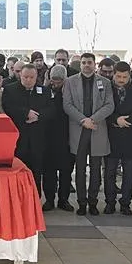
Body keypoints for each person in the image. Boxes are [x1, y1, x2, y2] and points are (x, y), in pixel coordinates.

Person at [62, 52, 115, 216]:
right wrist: (83, 120)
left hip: (96, 128)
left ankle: (93, 202)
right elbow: (67, 105)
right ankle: (81, 203)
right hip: (79, 129)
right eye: (84, 62)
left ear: (94, 64)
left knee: (95, 169)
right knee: (79, 170)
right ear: (81, 64)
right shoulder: (70, 82)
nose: (86, 65)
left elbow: (109, 105)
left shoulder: (105, 82)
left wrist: (92, 119)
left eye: (89, 62)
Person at [104, 61, 132, 215]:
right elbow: (102, 109)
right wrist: (116, 120)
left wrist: (126, 121)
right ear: (113, 74)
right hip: (111, 136)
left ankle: (125, 204)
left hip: (131, 135)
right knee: (110, 171)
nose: (121, 80)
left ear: (130, 75)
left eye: (124, 76)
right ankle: (109, 202)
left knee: (128, 172)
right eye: (118, 76)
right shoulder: (106, 87)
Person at [2, 63, 54, 189]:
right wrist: (26, 113)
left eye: (31, 77)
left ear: (36, 77)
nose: (28, 80)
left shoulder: (45, 91)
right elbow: (8, 107)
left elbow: (52, 110)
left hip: (38, 139)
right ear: (20, 75)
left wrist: (38, 116)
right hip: (18, 139)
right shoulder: (10, 89)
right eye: (25, 77)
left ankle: (35, 201)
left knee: (36, 172)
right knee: (18, 171)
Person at [42, 65, 74, 212]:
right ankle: (49, 200)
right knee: (49, 172)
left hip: (66, 138)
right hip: (48, 138)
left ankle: (63, 200)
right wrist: (46, 88)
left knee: (66, 172)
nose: (55, 83)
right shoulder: (44, 92)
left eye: (59, 81)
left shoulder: (70, 93)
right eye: (53, 80)